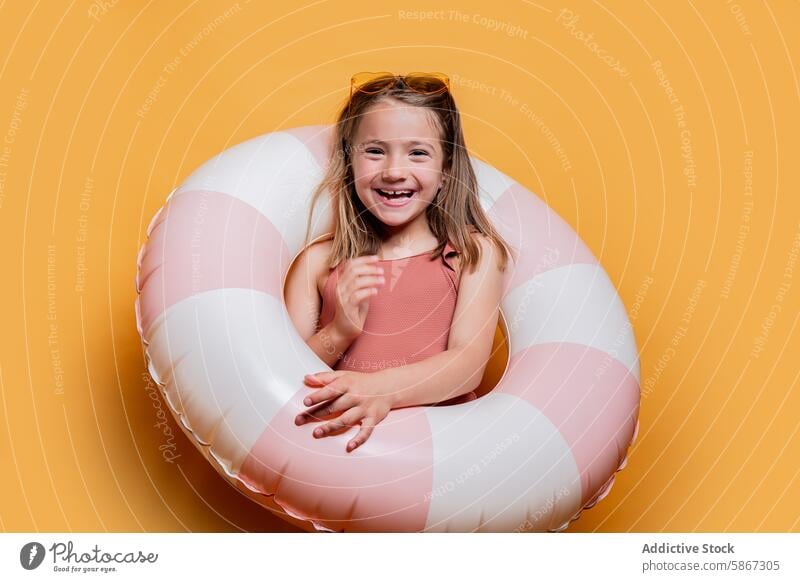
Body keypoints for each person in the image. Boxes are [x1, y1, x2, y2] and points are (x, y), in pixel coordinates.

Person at [284, 72, 514, 453]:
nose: (393, 170)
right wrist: (339, 331)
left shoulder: (470, 254)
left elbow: (468, 365)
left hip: (439, 455)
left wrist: (379, 389)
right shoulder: (318, 262)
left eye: (418, 152)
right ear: (349, 160)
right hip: (333, 457)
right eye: (375, 150)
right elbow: (283, 371)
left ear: (446, 169)